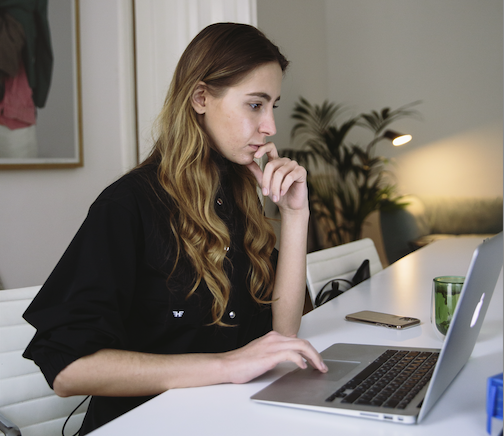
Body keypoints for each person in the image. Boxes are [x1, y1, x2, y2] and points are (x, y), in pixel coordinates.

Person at [22, 22, 328, 435]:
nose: (271, 126)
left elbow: (282, 333)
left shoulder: (238, 192)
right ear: (200, 98)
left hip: (229, 419)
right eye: (255, 105)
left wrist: (295, 214)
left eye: (273, 105)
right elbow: (67, 369)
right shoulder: (128, 205)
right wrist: (225, 365)